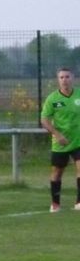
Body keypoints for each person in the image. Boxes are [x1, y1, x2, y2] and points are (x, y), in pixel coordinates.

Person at [41, 67, 80, 212]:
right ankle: (55, 203)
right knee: (57, 172)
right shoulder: (52, 99)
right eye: (61, 77)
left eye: (67, 77)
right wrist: (57, 135)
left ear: (73, 78)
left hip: (78, 140)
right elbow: (44, 120)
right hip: (61, 143)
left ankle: (79, 202)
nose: (65, 80)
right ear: (58, 80)